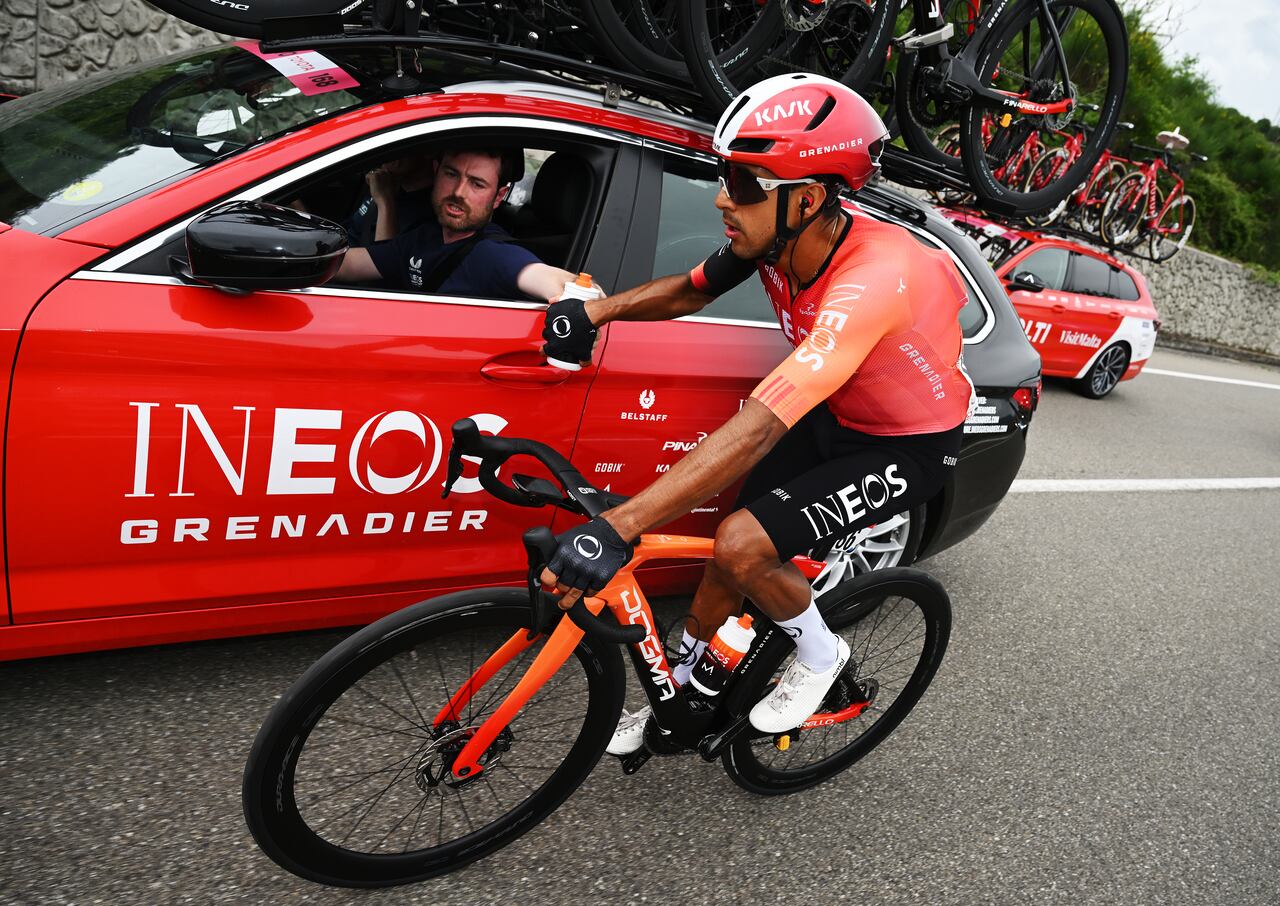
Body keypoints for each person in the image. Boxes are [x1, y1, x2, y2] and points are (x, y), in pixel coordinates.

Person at [537, 74, 977, 756]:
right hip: (839, 416)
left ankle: (823, 654)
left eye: (743, 183)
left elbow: (766, 421)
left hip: (909, 442)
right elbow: (689, 289)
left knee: (745, 543)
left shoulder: (873, 278)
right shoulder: (774, 239)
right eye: (723, 175)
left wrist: (617, 526)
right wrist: (595, 313)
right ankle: (683, 680)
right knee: (726, 554)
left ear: (806, 197)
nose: (721, 198)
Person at [332, 147, 577, 300]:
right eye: (451, 174)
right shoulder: (424, 237)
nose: (458, 192)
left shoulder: (491, 254)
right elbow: (348, 265)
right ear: (436, 171)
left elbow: (557, 282)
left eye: (477, 184)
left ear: (498, 197)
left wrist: (580, 303)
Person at [343, 151, 437, 246]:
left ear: (429, 152)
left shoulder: (429, 216)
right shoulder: (384, 182)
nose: (388, 151)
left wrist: (384, 203)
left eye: (401, 144)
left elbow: (385, 258)